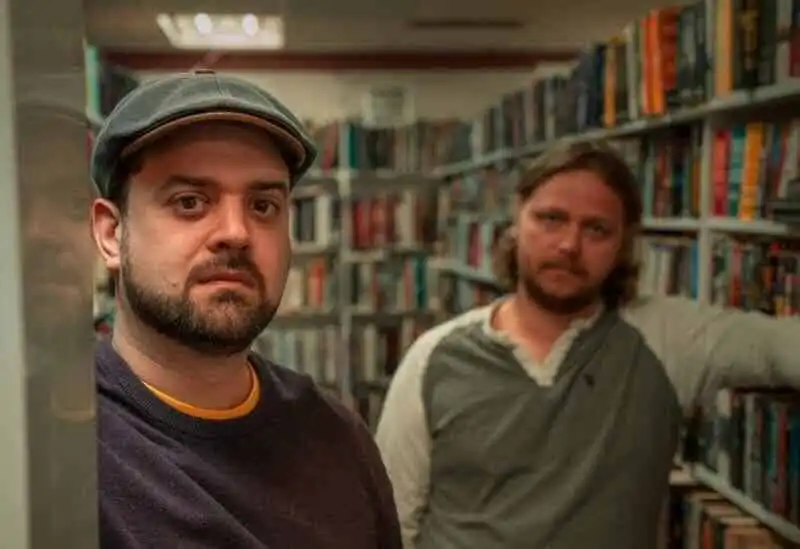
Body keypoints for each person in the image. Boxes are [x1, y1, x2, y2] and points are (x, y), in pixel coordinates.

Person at [375, 141, 800, 549]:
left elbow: (782, 349)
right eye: (551, 219)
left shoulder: (666, 339)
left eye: (596, 229)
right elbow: (390, 521)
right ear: (516, 220)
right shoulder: (433, 357)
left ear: (623, 244)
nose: (569, 245)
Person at [89, 70, 401, 549]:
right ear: (112, 234)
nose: (236, 232)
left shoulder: (338, 438)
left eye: (263, 206)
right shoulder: (50, 442)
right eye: (190, 202)